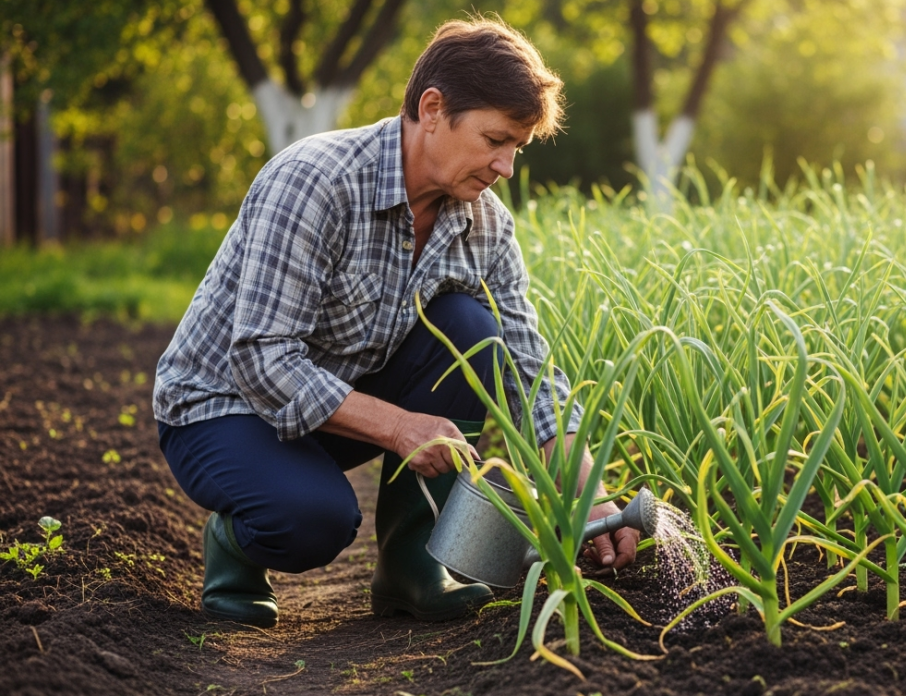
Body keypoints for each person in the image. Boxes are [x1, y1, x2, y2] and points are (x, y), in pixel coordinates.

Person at [153, 17, 638, 629]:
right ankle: (234, 543)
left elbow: (528, 369)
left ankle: (412, 561)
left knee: (472, 329)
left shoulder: (482, 224)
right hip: (221, 408)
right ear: (433, 109)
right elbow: (262, 359)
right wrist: (400, 425)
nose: (506, 166)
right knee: (315, 521)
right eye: (494, 139)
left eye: (516, 147)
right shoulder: (316, 181)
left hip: (327, 405)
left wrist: (589, 497)